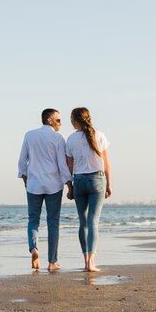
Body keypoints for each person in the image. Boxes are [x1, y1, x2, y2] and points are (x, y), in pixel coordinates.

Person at [18, 108, 73, 272]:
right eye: (58, 120)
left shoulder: (29, 135)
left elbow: (22, 161)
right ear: (49, 120)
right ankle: (52, 262)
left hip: (34, 184)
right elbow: (62, 164)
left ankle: (34, 248)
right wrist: (69, 184)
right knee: (53, 222)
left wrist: (25, 179)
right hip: (54, 185)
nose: (61, 123)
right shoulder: (58, 138)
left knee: (33, 219)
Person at [65, 107, 111, 272]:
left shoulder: (70, 139)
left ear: (75, 120)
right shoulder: (99, 135)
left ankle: (85, 260)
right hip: (97, 179)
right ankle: (91, 262)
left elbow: (68, 167)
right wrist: (109, 184)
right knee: (93, 222)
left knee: (83, 223)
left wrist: (69, 187)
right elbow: (106, 164)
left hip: (79, 180)